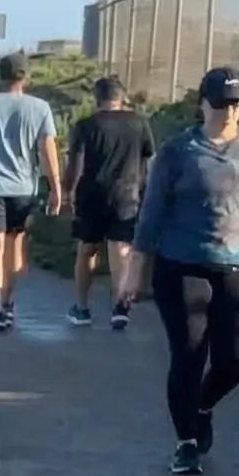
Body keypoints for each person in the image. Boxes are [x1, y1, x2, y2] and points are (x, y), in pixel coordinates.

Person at [119, 67, 239, 474]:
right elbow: (152, 214)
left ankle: (202, 405)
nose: (229, 112)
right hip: (182, 266)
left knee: (236, 359)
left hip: (236, 265)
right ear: (203, 104)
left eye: (236, 104)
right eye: (220, 104)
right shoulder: (179, 151)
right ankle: (186, 442)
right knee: (189, 353)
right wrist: (134, 270)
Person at [0, 52, 64, 329]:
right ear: (26, 77)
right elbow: (47, 151)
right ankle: (8, 302)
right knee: (14, 247)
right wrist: (55, 187)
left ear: (0, 76)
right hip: (24, 189)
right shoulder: (40, 108)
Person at [62, 76, 156, 328]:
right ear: (122, 97)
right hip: (126, 194)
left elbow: (75, 164)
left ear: (97, 98)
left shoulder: (86, 125)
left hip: (90, 195)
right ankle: (119, 308)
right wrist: (146, 191)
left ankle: (82, 308)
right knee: (121, 251)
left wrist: (67, 191)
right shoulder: (139, 123)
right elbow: (148, 160)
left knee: (86, 250)